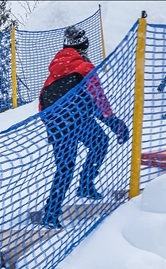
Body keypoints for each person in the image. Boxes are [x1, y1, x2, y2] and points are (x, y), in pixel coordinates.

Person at [37, 25, 129, 229]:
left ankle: (54, 210)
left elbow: (42, 104)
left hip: (59, 123)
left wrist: (54, 128)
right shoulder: (84, 68)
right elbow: (98, 99)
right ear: (84, 46)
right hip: (76, 120)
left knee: (67, 165)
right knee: (98, 143)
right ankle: (83, 186)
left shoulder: (54, 71)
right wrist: (115, 124)